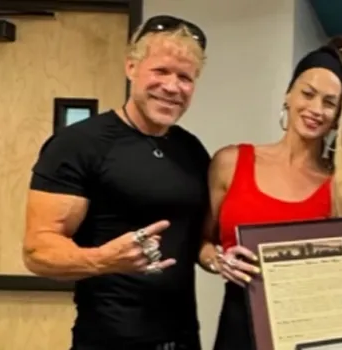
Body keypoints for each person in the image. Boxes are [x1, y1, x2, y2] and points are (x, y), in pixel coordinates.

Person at [22, 15, 209, 350]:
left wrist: (221, 255)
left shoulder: (191, 150)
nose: (172, 86)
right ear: (131, 67)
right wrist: (103, 260)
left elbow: (194, 239)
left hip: (182, 340)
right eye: (161, 71)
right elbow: (38, 250)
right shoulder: (80, 144)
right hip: (109, 341)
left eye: (185, 77)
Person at [198, 36, 342, 350]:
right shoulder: (230, 162)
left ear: (339, 115)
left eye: (329, 102)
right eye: (308, 94)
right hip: (239, 325)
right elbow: (200, 242)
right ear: (288, 94)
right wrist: (218, 261)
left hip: (311, 333)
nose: (315, 109)